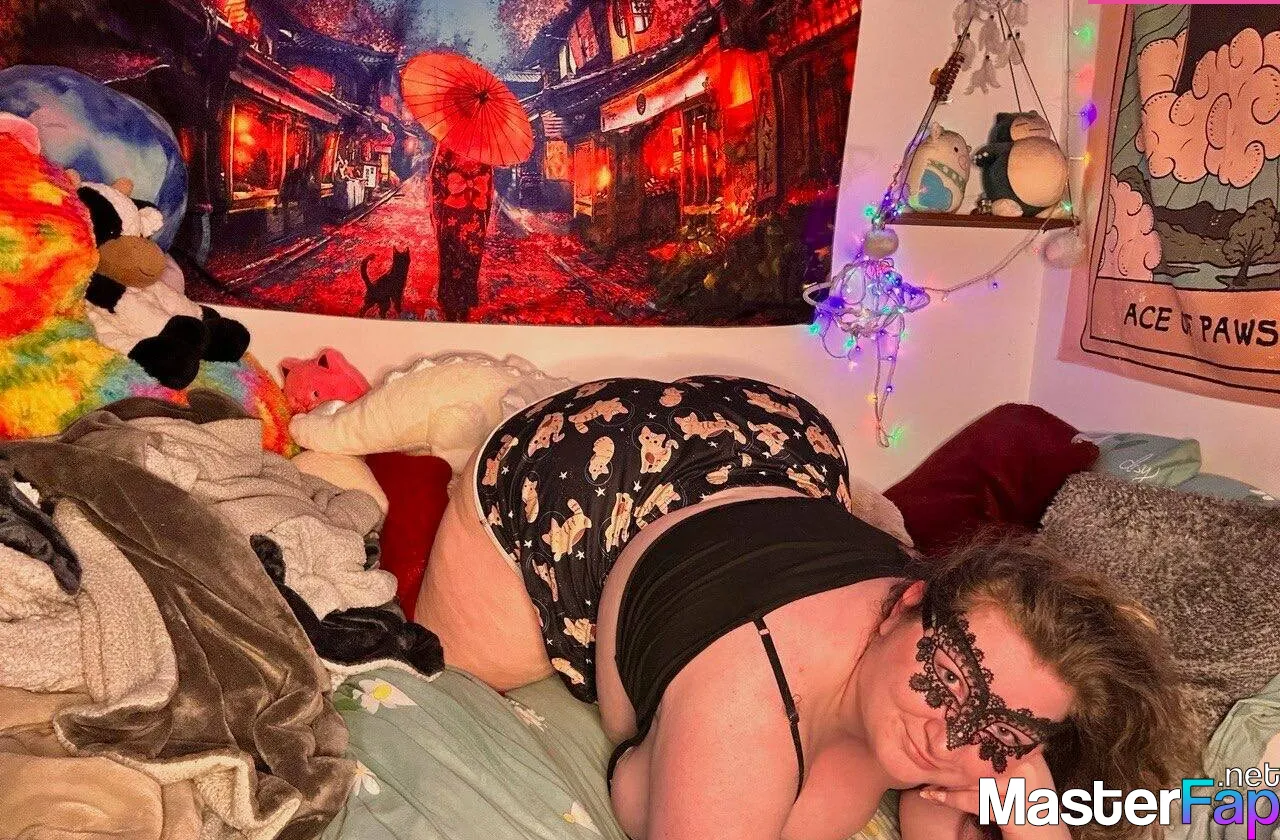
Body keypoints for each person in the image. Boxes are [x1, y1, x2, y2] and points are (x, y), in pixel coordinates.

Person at [417, 375, 1196, 840]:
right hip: (595, 475)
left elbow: (940, 807)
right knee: (446, 666)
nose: (948, 737)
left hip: (779, 454)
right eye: (953, 683)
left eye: (1000, 730)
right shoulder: (739, 723)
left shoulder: (949, 720)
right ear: (906, 603)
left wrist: (1036, 821)